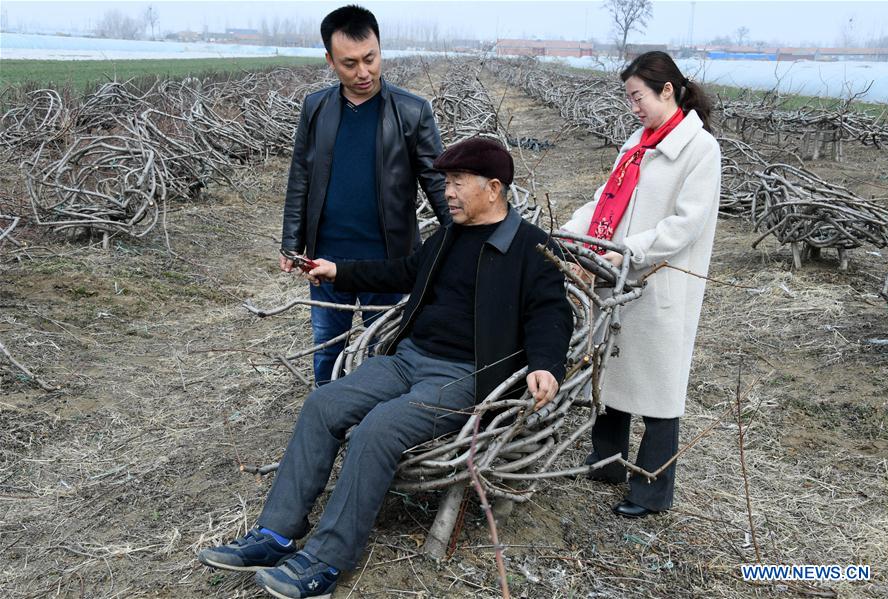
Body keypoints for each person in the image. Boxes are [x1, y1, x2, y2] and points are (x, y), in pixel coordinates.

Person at [199, 138, 573, 599]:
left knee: (378, 430)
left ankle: (325, 560)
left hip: (464, 376)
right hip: (407, 359)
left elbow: (552, 313)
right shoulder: (450, 235)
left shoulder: (531, 248)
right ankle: (275, 534)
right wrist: (339, 271)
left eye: (457, 183)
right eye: (446, 182)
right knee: (323, 403)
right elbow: (402, 271)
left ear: (494, 188)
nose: (447, 192)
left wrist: (546, 365)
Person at [562, 51, 721, 518]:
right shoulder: (639, 140)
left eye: (638, 96)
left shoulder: (699, 149)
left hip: (659, 278)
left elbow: (685, 224)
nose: (633, 106)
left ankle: (652, 490)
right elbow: (604, 198)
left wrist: (630, 249)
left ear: (666, 90)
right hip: (618, 274)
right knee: (612, 369)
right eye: (629, 97)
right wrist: (574, 237)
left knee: (658, 385)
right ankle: (606, 460)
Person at [279, 5, 450, 386]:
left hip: (389, 261)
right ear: (330, 61)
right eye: (349, 63)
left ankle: (377, 423)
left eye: (370, 59)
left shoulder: (412, 111)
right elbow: (301, 177)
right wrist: (291, 242)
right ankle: (328, 415)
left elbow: (437, 183)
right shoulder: (316, 107)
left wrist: (460, 237)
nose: (363, 73)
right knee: (327, 347)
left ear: (379, 48)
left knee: (385, 347)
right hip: (326, 258)